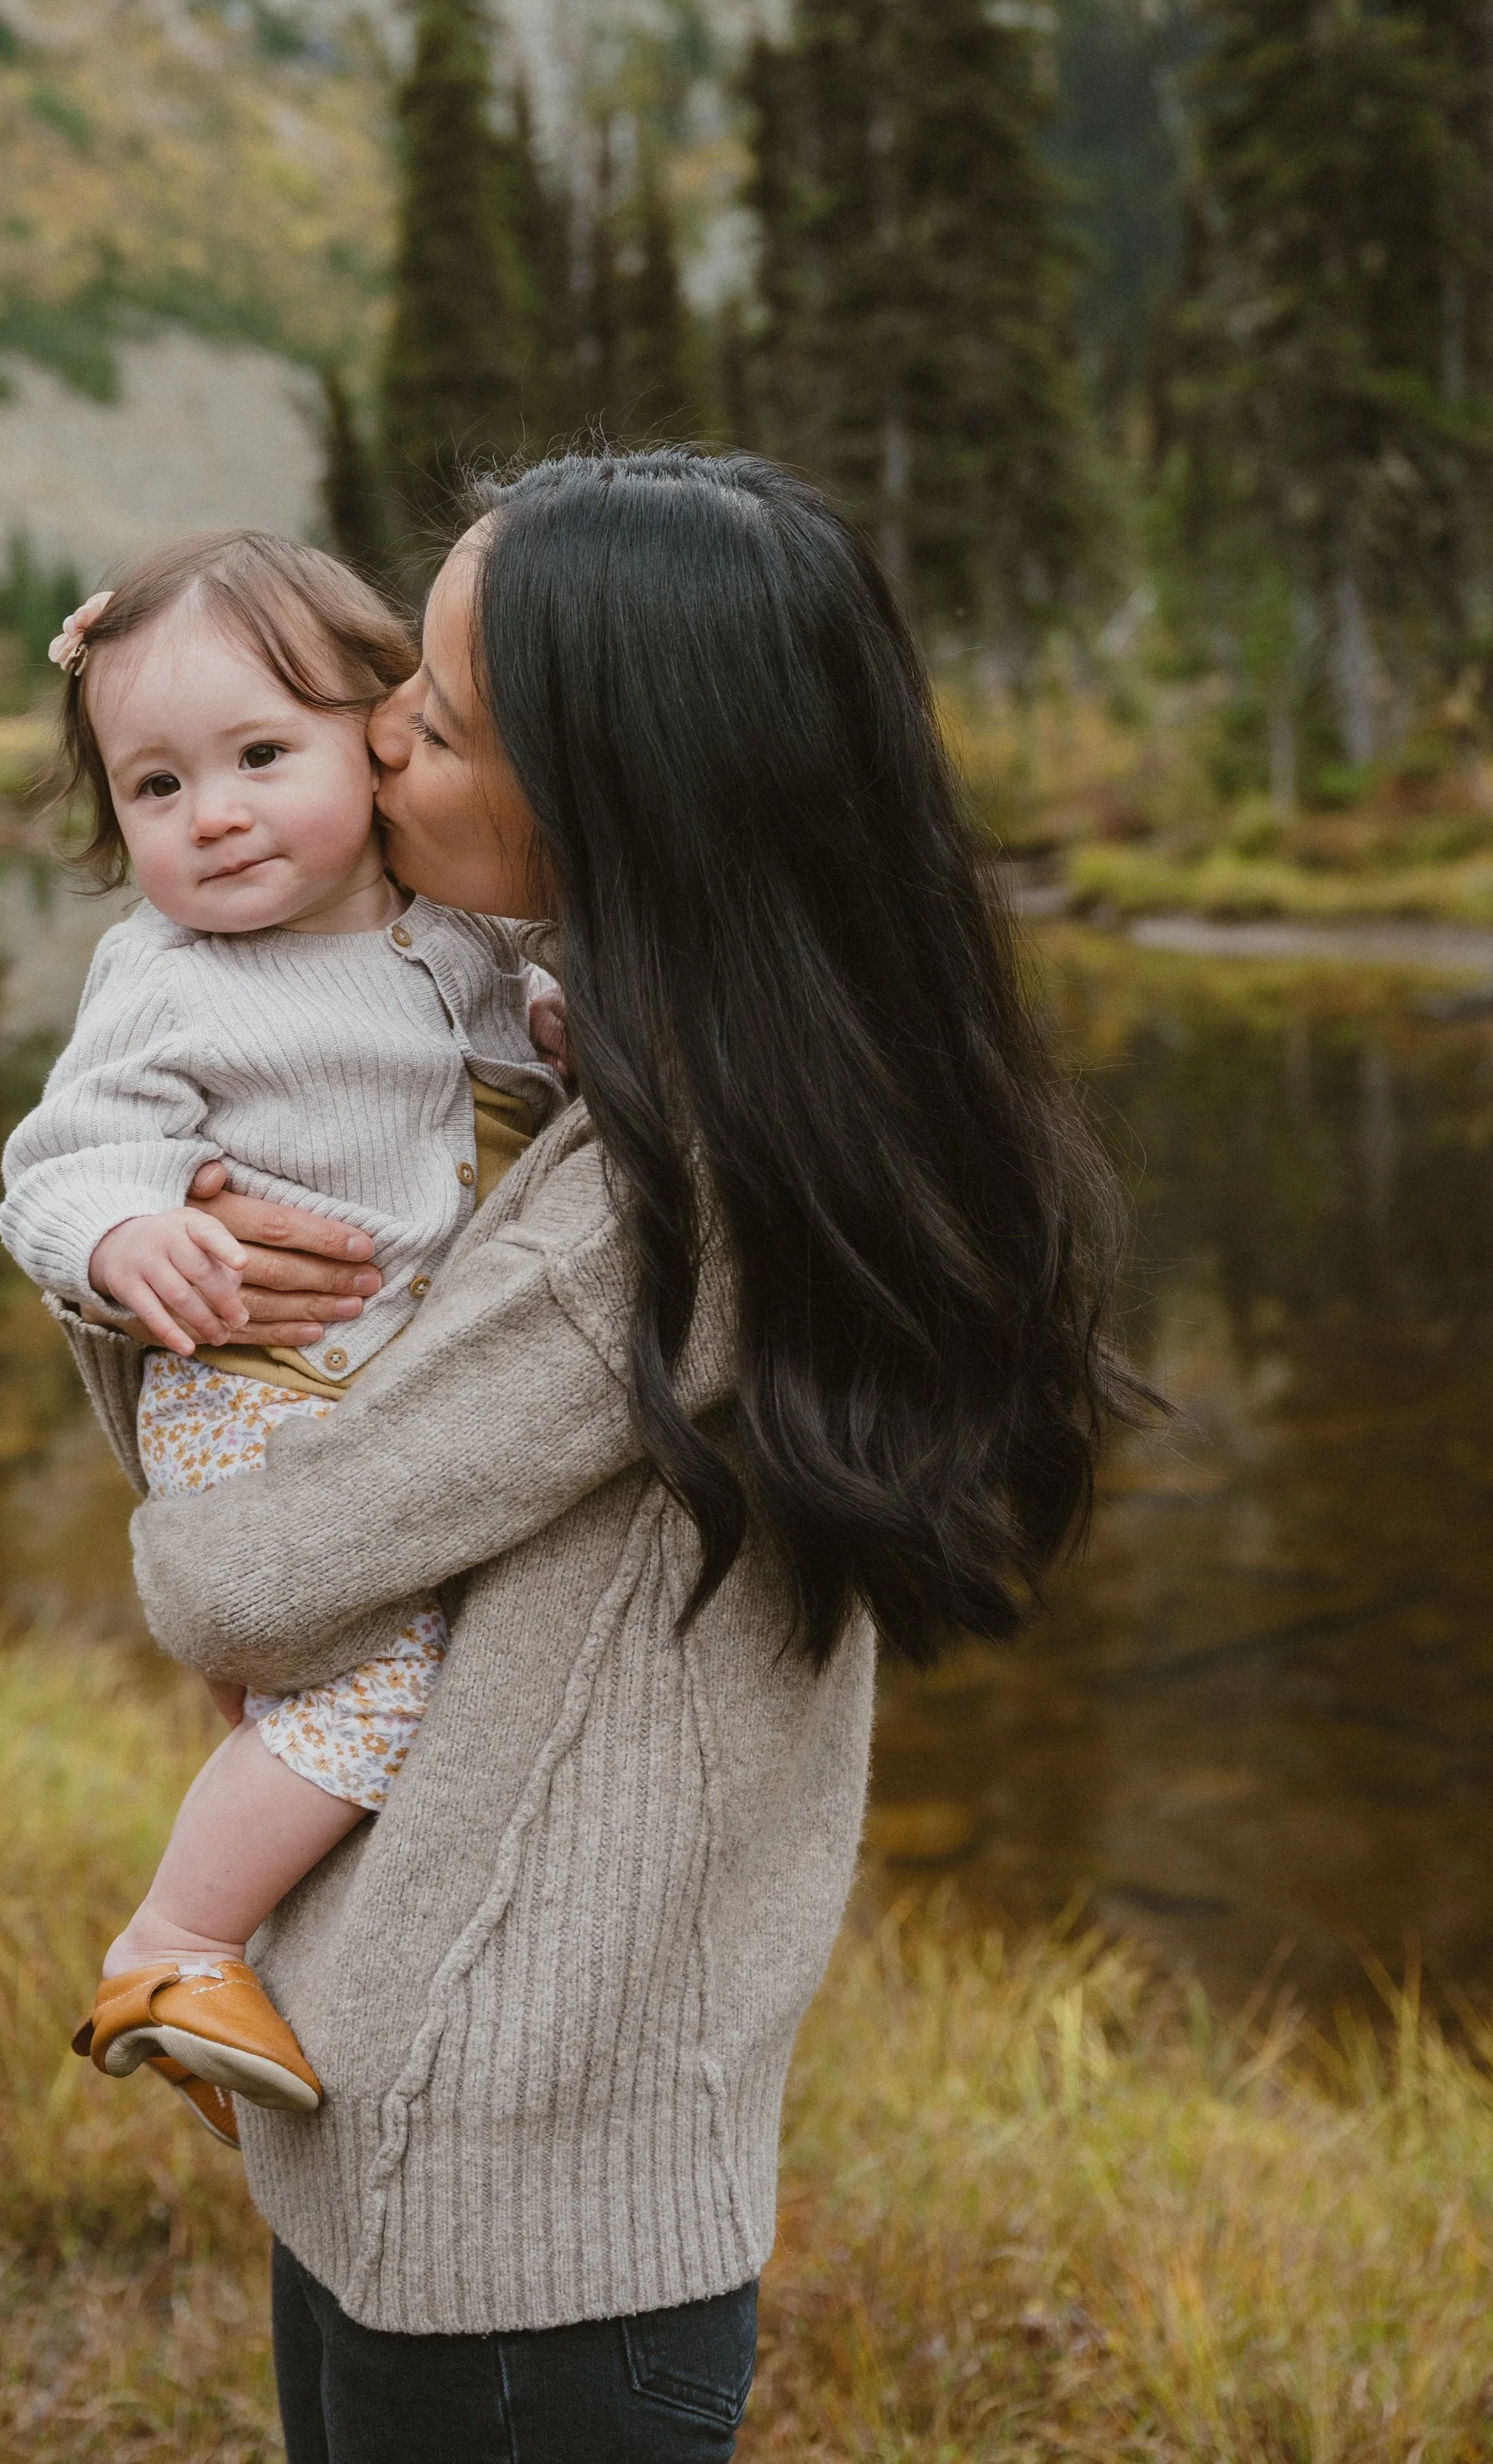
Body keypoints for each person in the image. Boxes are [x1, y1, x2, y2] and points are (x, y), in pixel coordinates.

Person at [56, 452, 1144, 2464]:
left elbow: (237, 1583)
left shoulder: (646, 1211)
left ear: (616, 795)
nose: (376, 738)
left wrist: (156, 1315)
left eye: (438, 721)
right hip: (514, 2132)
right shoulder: (759, 1099)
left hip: (496, 2192)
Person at [0, 531, 562, 2141]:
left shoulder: (460, 935)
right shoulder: (166, 977)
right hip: (253, 1386)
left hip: (379, 1384)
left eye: (260, 755)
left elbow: (516, 1064)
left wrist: (571, 1033)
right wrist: (127, 1233)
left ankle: (275, 1959)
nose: (215, 812)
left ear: (380, 737)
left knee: (357, 1679)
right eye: (155, 787)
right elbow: (59, 1161)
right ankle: (174, 1941)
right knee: (382, 1676)